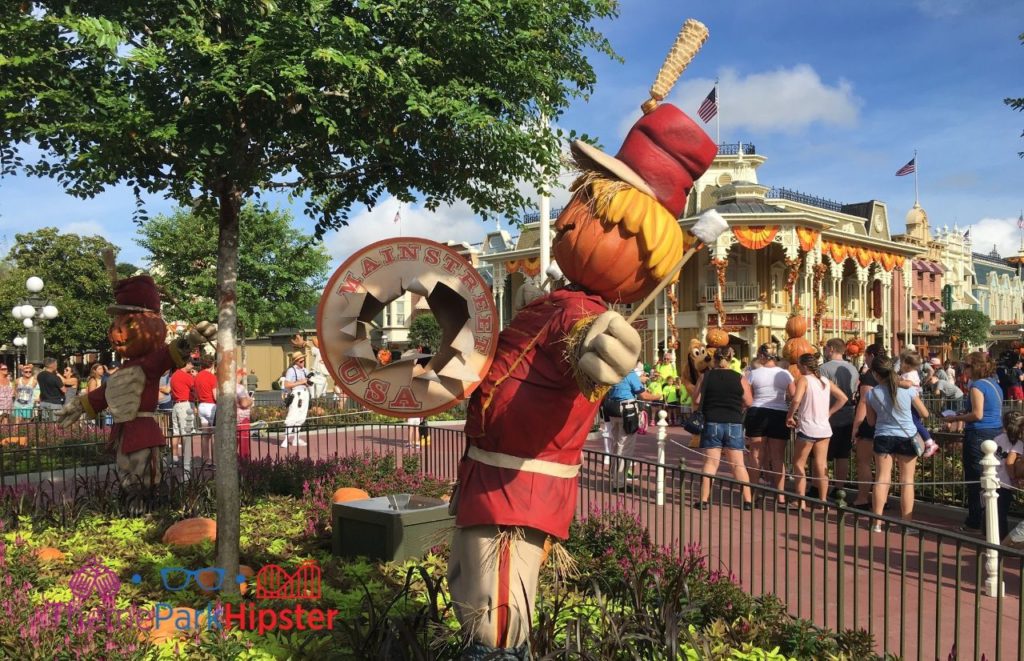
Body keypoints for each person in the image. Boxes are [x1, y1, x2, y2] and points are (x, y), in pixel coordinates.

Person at [864, 356, 929, 529]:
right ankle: (906, 524)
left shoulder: (871, 394)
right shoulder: (907, 391)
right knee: (907, 480)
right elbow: (924, 413)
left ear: (876, 374)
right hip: (907, 435)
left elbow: (870, 422)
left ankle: (876, 522)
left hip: (883, 436)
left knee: (882, 478)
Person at [945, 351, 1004, 533]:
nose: (964, 370)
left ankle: (974, 521)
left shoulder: (977, 386)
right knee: (990, 475)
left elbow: (978, 414)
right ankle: (989, 519)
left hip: (978, 433)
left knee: (975, 479)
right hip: (995, 431)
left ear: (975, 367)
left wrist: (955, 419)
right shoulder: (994, 384)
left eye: (967, 366)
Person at [786, 352, 848, 511]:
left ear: (805, 366)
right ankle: (823, 500)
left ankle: (801, 501)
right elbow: (843, 398)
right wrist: (829, 413)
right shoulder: (825, 381)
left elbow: (796, 399)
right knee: (821, 464)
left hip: (807, 427)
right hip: (824, 428)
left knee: (799, 463)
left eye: (799, 365)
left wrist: (790, 415)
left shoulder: (804, 380)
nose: (798, 368)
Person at [694, 348, 754, 510]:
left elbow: (697, 399)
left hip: (712, 421)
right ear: (731, 358)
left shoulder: (705, 377)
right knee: (738, 465)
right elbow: (748, 401)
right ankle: (748, 500)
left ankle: (704, 500)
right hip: (733, 422)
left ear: (713, 359)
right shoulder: (739, 378)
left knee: (710, 463)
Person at [743, 343, 793, 506]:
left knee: (756, 454)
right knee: (778, 457)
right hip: (779, 413)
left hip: (757, 412)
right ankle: (780, 496)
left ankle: (754, 491)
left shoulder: (752, 374)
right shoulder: (785, 374)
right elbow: (793, 395)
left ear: (762, 356)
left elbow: (747, 398)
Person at [603, 369, 657, 490]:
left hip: (612, 409)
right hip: (626, 410)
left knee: (616, 445)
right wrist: (658, 396)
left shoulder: (612, 372)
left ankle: (615, 477)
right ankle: (619, 483)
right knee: (625, 447)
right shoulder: (629, 373)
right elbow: (644, 395)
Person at [820, 338, 859, 494]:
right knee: (842, 455)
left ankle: (819, 487)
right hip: (849, 414)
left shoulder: (824, 369)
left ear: (830, 349)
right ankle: (839, 488)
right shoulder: (853, 369)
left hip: (830, 414)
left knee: (822, 455)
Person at [850, 345, 884, 509]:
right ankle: (881, 500)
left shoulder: (869, 376)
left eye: (865, 356)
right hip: (886, 423)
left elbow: (864, 402)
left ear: (870, 355)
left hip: (869, 423)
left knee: (863, 461)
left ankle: (863, 497)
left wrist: (856, 427)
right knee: (882, 467)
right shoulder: (891, 374)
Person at [897, 351, 939, 459]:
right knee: (913, 422)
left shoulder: (909, 375)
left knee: (915, 422)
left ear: (906, 364)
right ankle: (923, 441)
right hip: (911, 401)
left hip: (911, 403)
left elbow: (906, 385)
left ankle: (929, 442)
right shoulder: (913, 373)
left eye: (901, 362)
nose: (899, 365)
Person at [992, 411, 1024, 541]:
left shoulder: (997, 438)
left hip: (992, 477)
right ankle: (1001, 539)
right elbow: (1009, 462)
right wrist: (1014, 479)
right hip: (1004, 481)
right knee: (1001, 513)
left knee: (992, 509)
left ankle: (988, 533)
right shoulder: (1018, 443)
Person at [281, 351, 310, 448]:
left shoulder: (305, 370)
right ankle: (285, 439)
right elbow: (287, 384)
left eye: (303, 360)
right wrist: (300, 382)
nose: (303, 362)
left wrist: (308, 382)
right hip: (297, 394)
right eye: (301, 361)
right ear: (296, 361)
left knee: (301, 417)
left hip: (305, 394)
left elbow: (309, 383)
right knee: (292, 416)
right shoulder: (291, 370)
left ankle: (296, 439)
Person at [169, 362, 197, 462]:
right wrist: (195, 377)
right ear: (187, 364)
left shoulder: (173, 376)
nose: (193, 366)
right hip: (185, 405)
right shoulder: (186, 376)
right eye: (192, 364)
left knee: (176, 432)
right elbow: (195, 388)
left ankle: (175, 457)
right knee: (186, 433)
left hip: (176, 404)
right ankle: (187, 458)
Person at [36, 357, 66, 422]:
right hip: (55, 403)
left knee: (45, 423)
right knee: (55, 423)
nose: (57, 366)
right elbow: (64, 390)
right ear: (52, 365)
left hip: (43, 402)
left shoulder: (40, 375)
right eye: (56, 364)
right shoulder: (55, 378)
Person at [236, 367, 253, 459]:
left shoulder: (223, 387)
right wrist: (251, 400)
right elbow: (244, 403)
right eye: (241, 375)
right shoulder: (239, 388)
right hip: (242, 418)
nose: (241, 377)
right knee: (244, 443)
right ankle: (244, 463)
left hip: (231, 418)